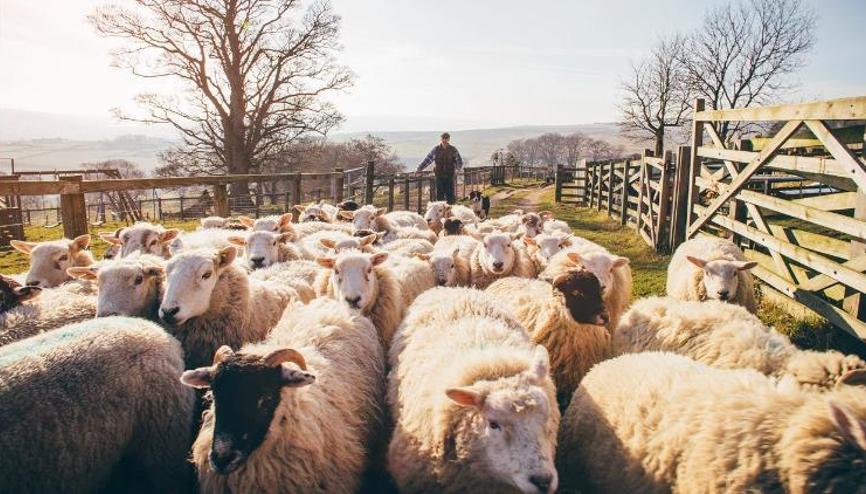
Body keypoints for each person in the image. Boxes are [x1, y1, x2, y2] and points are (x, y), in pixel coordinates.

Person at [416, 132, 463, 204]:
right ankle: (441, 213)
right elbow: (428, 160)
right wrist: (419, 169)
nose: (444, 140)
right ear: (441, 139)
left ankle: (450, 212)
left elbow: (459, 161)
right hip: (439, 176)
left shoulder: (453, 150)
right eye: (443, 139)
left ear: (448, 139)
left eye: (446, 139)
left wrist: (457, 169)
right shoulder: (436, 149)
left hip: (449, 176)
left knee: (450, 196)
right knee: (440, 196)